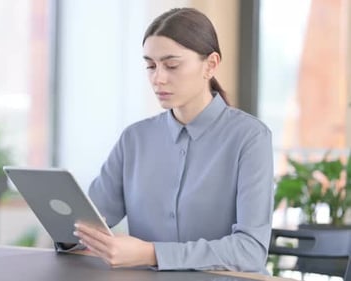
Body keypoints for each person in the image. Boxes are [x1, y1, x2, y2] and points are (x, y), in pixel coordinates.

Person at [72, 7, 274, 274]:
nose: (158, 78)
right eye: (150, 66)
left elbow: (250, 251)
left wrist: (151, 253)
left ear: (211, 65)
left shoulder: (250, 138)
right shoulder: (134, 139)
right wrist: (70, 229)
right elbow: (88, 224)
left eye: (171, 65)